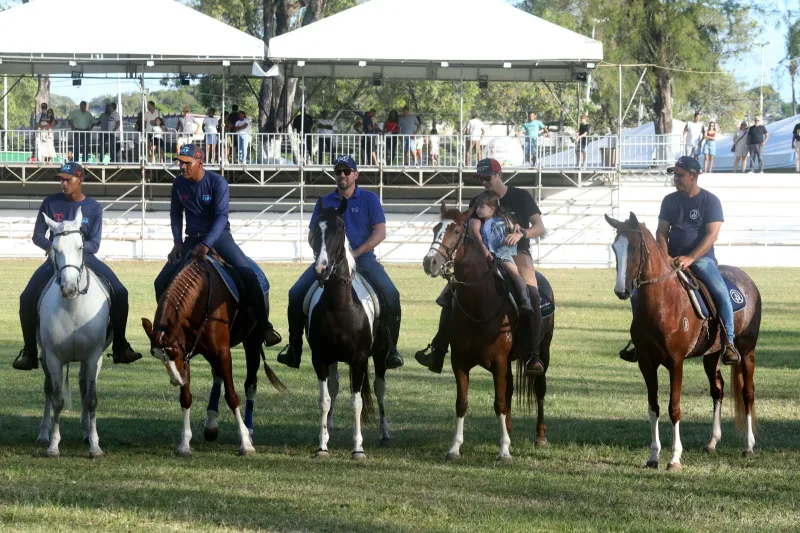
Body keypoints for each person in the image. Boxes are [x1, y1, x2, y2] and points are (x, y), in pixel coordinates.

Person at [415, 158, 546, 376]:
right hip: (483, 254)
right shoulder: (478, 201)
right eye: (481, 178)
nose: (484, 182)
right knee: (451, 293)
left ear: (499, 174)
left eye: (488, 177)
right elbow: (471, 227)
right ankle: (438, 350)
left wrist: (521, 233)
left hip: (517, 253)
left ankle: (533, 355)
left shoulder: (521, 196)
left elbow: (540, 227)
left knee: (532, 292)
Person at [277, 155, 403, 370]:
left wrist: (356, 252)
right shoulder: (324, 202)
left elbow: (380, 233)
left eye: (347, 171)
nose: (342, 175)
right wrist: (322, 253)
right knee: (295, 293)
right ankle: (294, 348)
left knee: (392, 295)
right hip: (330, 262)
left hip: (363, 260)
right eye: (338, 171)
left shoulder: (369, 199)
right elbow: (312, 235)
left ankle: (391, 349)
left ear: (356, 174)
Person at [13, 162, 142, 370]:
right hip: (55, 261)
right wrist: (53, 248)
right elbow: (37, 235)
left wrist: (76, 249)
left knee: (121, 292)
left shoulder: (94, 207)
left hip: (86, 259)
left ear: (80, 180)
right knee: (26, 297)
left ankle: (120, 345)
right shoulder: (50, 203)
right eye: (61, 179)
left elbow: (95, 243)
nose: (63, 183)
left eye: (68, 179)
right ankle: (29, 351)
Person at [153, 144, 281, 348]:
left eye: (187, 163)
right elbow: (176, 214)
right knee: (160, 282)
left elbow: (222, 217)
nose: (182, 167)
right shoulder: (178, 184)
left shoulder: (217, 182)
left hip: (220, 236)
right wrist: (177, 242)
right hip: (191, 240)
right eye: (180, 163)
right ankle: (169, 328)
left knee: (248, 274)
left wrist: (206, 243)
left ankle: (264, 327)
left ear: (199, 163)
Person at [619, 156, 740, 366]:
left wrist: (691, 257)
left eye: (680, 175)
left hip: (701, 259)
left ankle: (728, 342)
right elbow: (661, 232)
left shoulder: (710, 201)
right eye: (674, 175)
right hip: (671, 259)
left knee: (720, 291)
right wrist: (665, 257)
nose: (675, 179)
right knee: (638, 293)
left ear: (693, 176)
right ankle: (639, 341)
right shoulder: (670, 201)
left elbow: (712, 235)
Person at [470, 191, 535, 319]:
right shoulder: (481, 224)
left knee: (514, 274)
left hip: (502, 255)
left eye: (481, 207)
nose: (477, 210)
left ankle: (525, 301)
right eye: (477, 207)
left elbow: (513, 226)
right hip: (487, 258)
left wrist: (516, 227)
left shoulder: (501, 220)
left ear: (492, 209)